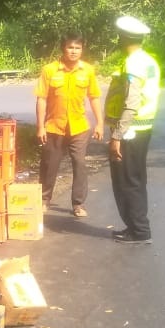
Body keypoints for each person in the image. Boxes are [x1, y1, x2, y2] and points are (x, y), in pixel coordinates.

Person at [35, 33, 103, 216]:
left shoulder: (87, 70)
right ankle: (44, 199)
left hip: (79, 127)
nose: (73, 51)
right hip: (54, 126)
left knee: (79, 163)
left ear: (82, 50)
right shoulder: (49, 70)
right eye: (70, 47)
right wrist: (40, 126)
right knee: (50, 164)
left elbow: (94, 97)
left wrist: (100, 124)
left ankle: (78, 204)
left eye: (77, 48)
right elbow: (41, 99)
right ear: (63, 49)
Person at [106, 15, 161, 244]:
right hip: (142, 127)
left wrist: (117, 136)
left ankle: (138, 230)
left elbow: (131, 102)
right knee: (135, 178)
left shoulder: (134, 63)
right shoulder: (148, 60)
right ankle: (136, 227)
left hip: (131, 130)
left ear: (123, 37)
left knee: (126, 180)